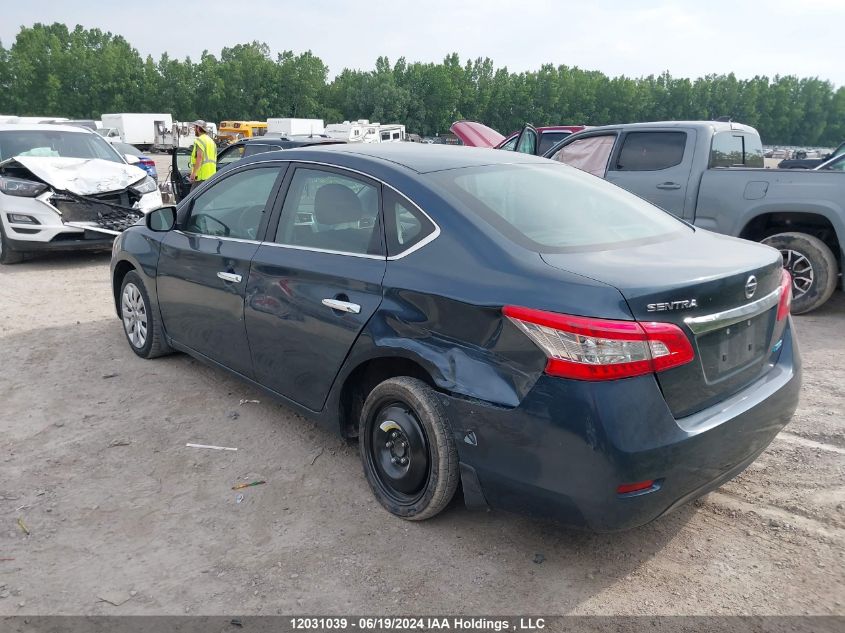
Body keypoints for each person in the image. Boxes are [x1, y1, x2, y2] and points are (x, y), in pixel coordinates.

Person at [188, 120, 217, 190]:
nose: (194, 129)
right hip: (211, 176)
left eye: (195, 127)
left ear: (198, 128)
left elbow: (199, 158)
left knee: (192, 199)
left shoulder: (200, 140)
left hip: (201, 177)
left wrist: (193, 174)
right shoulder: (211, 141)